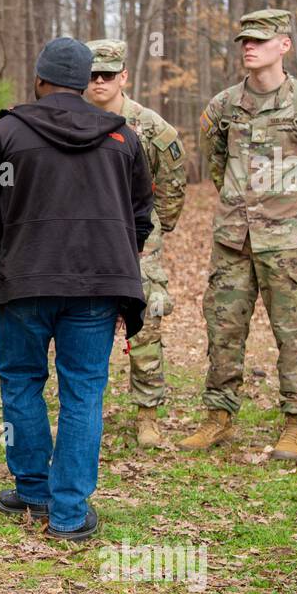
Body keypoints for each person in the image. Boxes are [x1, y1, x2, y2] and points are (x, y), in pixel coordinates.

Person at [0, 38, 152, 542]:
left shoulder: (6, 133)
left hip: (23, 282)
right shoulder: (122, 139)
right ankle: (66, 512)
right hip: (97, 286)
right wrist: (116, 276)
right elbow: (140, 220)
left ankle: (34, 489)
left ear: (39, 80)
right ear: (87, 81)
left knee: (21, 382)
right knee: (83, 393)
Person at [181, 9, 297, 460]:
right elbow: (217, 162)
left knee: (295, 332)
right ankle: (219, 416)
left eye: (258, 40)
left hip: (287, 242)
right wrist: (241, 205)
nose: (248, 47)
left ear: (284, 45)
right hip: (233, 238)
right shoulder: (223, 106)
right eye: (243, 41)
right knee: (223, 328)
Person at [84, 39, 187, 448]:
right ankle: (86, 410)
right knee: (83, 323)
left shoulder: (151, 127)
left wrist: (155, 228)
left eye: (108, 74)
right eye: (92, 75)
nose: (100, 82)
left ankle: (148, 415)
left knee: (146, 323)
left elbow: (174, 184)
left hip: (135, 239)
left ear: (124, 76)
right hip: (86, 239)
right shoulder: (72, 120)